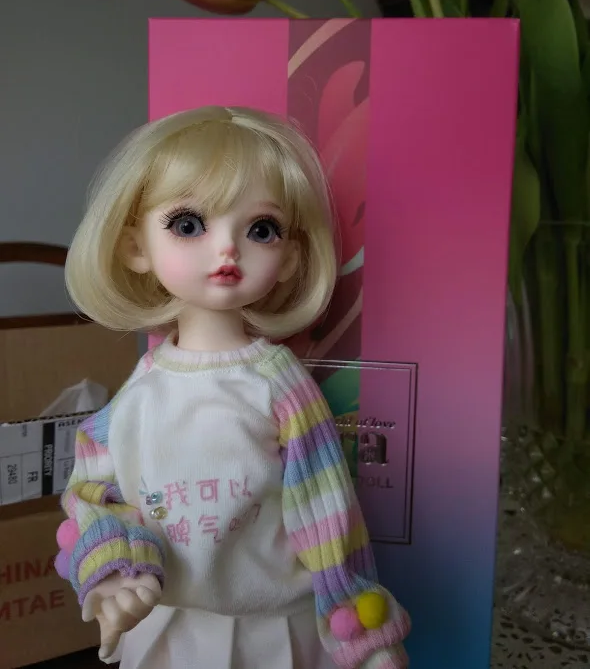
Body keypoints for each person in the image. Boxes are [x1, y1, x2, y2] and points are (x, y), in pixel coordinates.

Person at [55, 106, 411, 669]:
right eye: (188, 224)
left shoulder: (277, 386)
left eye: (260, 230)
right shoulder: (137, 396)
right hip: (170, 626)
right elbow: (93, 493)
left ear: (289, 258)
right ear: (136, 248)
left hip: (276, 630)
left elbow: (325, 511)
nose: (227, 249)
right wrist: (116, 570)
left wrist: (362, 633)